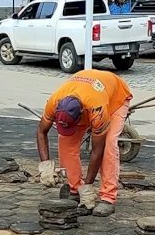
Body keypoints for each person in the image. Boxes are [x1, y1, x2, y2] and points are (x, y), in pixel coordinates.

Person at [36, 69, 132, 217]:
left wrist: (88, 186)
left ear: (82, 114)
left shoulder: (97, 109)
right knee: (65, 141)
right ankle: (74, 189)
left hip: (115, 98)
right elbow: (41, 132)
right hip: (85, 90)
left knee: (109, 144)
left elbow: (96, 150)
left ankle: (108, 197)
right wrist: (45, 166)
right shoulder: (54, 102)